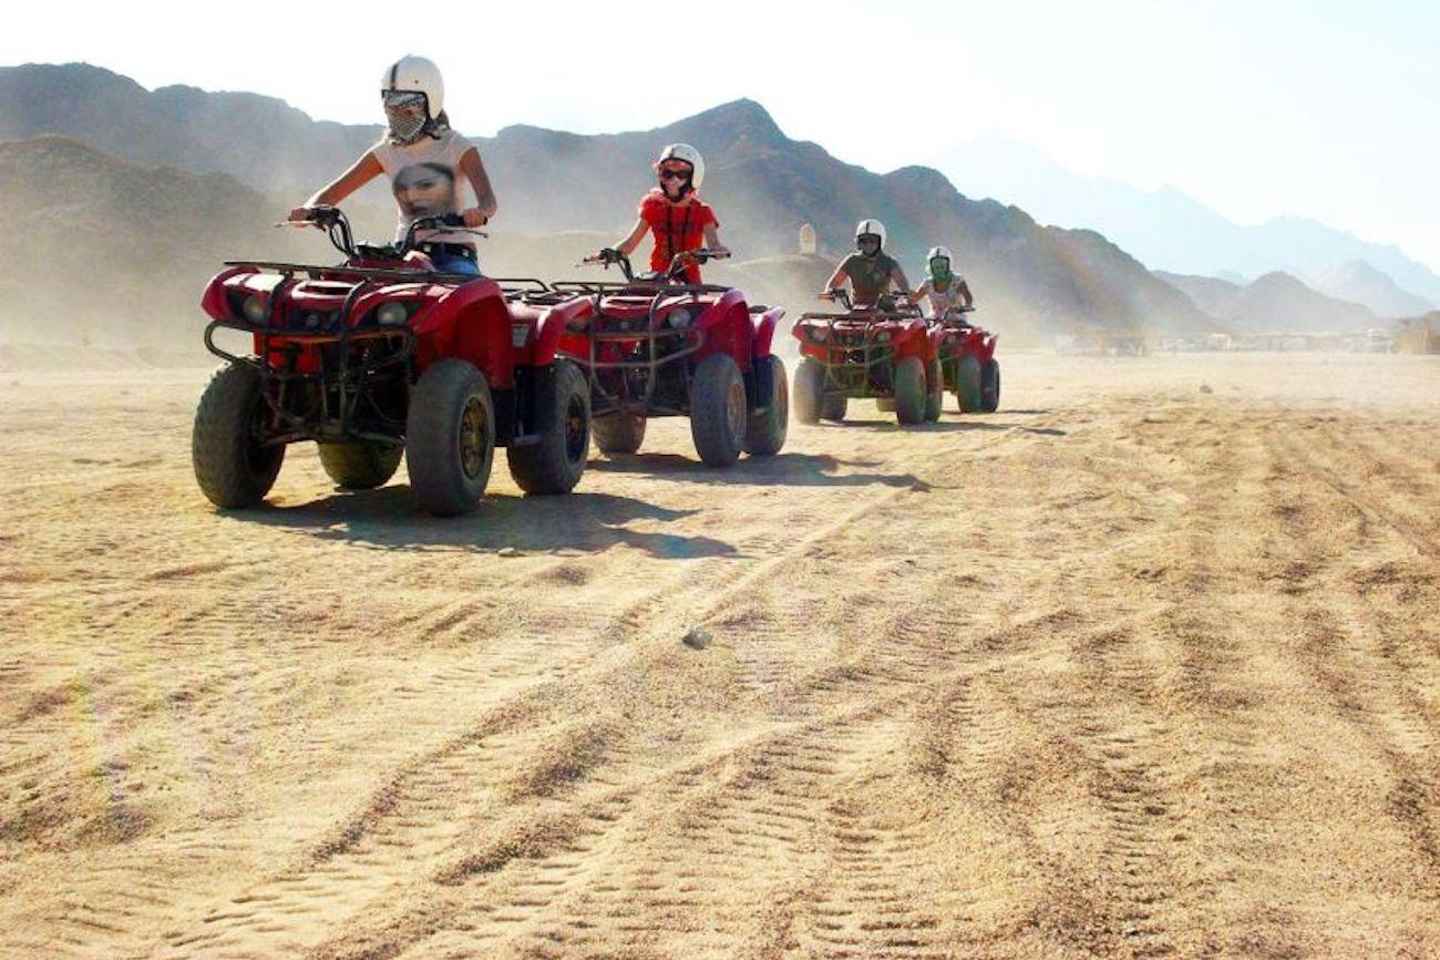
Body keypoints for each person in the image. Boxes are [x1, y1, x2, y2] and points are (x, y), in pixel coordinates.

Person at [287, 55, 497, 275]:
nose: (399, 117)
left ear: (430, 102)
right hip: (404, 254)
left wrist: (479, 212)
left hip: (453, 255)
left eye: (408, 109)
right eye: (392, 109)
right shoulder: (386, 151)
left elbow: (489, 201)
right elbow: (332, 193)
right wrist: (309, 211)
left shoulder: (457, 145)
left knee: (462, 298)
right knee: (341, 284)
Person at [598, 144, 729, 283]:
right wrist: (609, 253)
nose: (673, 180)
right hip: (657, 281)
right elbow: (630, 243)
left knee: (694, 305)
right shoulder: (653, 206)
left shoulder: (703, 211)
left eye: (681, 174)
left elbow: (714, 244)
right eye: (667, 174)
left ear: (694, 177)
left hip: (690, 285)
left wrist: (717, 251)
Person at [821, 219, 911, 308]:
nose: (868, 245)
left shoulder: (889, 262)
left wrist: (904, 295)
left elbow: (902, 283)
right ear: (858, 243)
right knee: (839, 323)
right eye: (863, 241)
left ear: (880, 242)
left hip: (884, 312)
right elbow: (835, 281)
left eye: (872, 241)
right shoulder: (851, 261)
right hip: (856, 310)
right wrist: (829, 291)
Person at [913, 246, 974, 320]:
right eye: (936, 267)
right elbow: (915, 298)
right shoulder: (927, 283)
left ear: (948, 266)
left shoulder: (957, 280)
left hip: (956, 321)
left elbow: (968, 297)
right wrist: (904, 302)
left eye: (942, 266)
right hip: (933, 320)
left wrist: (966, 306)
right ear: (931, 267)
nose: (939, 270)